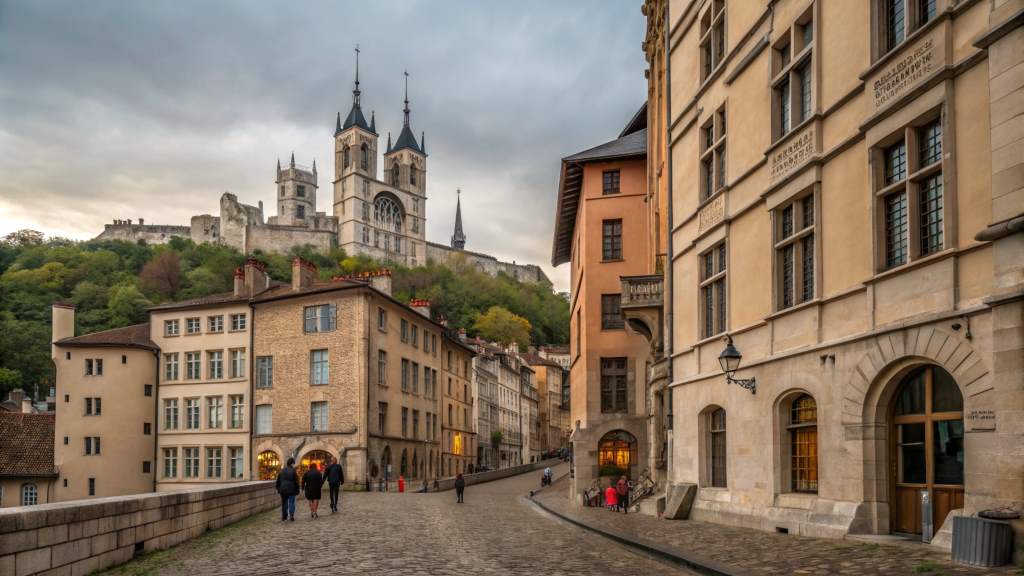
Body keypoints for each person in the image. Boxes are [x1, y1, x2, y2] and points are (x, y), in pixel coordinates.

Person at [275, 457, 299, 522]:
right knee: (291, 502)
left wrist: (278, 488)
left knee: (284, 503)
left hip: (283, 489)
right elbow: (296, 481)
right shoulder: (293, 471)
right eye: (293, 463)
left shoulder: (282, 470)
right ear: (292, 464)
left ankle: (284, 517)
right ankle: (291, 515)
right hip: (292, 489)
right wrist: (297, 489)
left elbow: (278, 481)